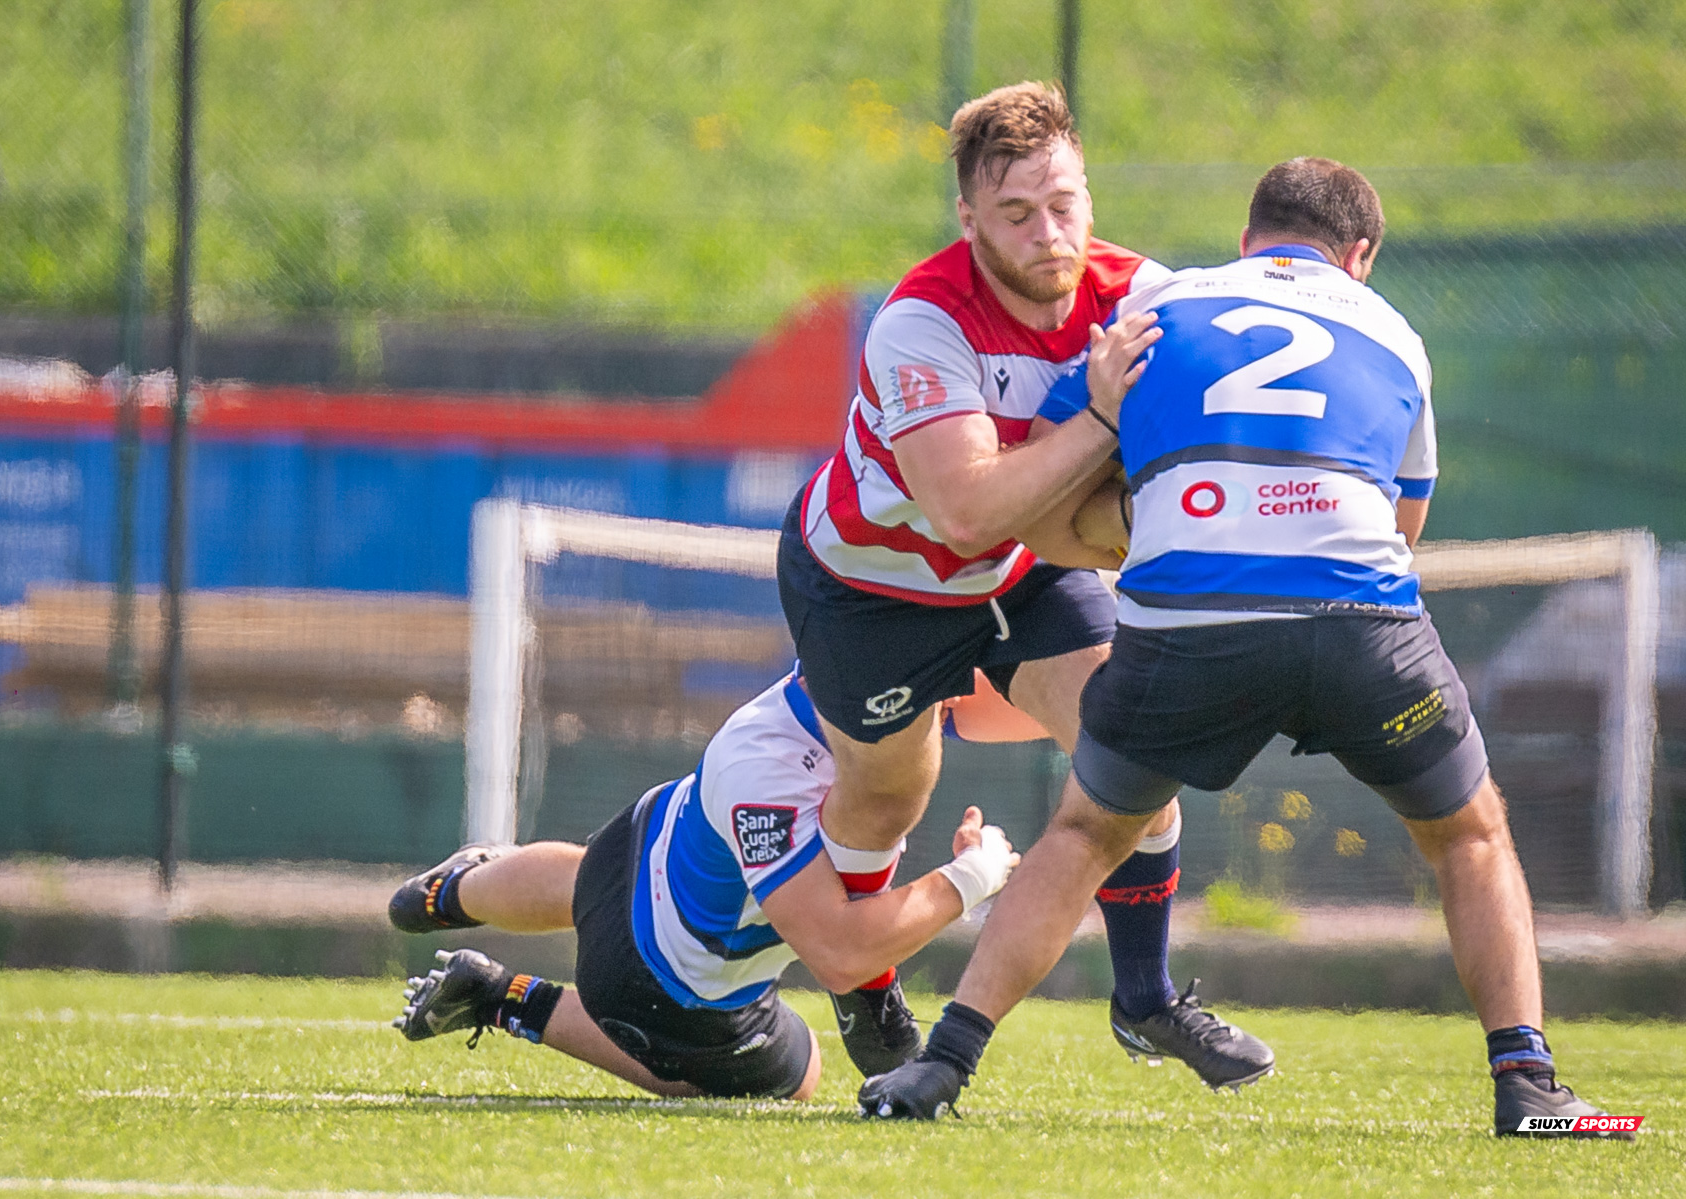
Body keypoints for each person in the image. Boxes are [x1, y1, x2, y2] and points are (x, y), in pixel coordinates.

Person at [857, 157, 1636, 1140]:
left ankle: (944, 1063)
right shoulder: (1393, 330)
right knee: (1471, 833)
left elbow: (1039, 501)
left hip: (1188, 622)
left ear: (1246, 239)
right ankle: (1526, 1082)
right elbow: (1405, 524)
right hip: (1364, 620)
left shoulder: (1158, 311)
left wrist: (1156, 527)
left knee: (1085, 835)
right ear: (1360, 258)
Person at [777, 80, 1271, 1088]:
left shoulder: (1144, 298)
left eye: (1066, 204)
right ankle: (869, 981)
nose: (1050, 233)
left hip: (1025, 570)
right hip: (872, 586)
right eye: (1015, 214)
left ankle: (1144, 997)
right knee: (886, 796)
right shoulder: (923, 319)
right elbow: (964, 512)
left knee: (1128, 747)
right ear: (969, 220)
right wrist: (1098, 421)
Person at [385, 671, 1019, 1100]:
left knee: (591, 879)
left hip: (637, 845)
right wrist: (970, 878)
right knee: (798, 1077)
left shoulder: (829, 693)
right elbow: (848, 966)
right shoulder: (810, 786)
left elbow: (997, 694)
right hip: (650, 985)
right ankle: (504, 995)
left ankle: (451, 892)